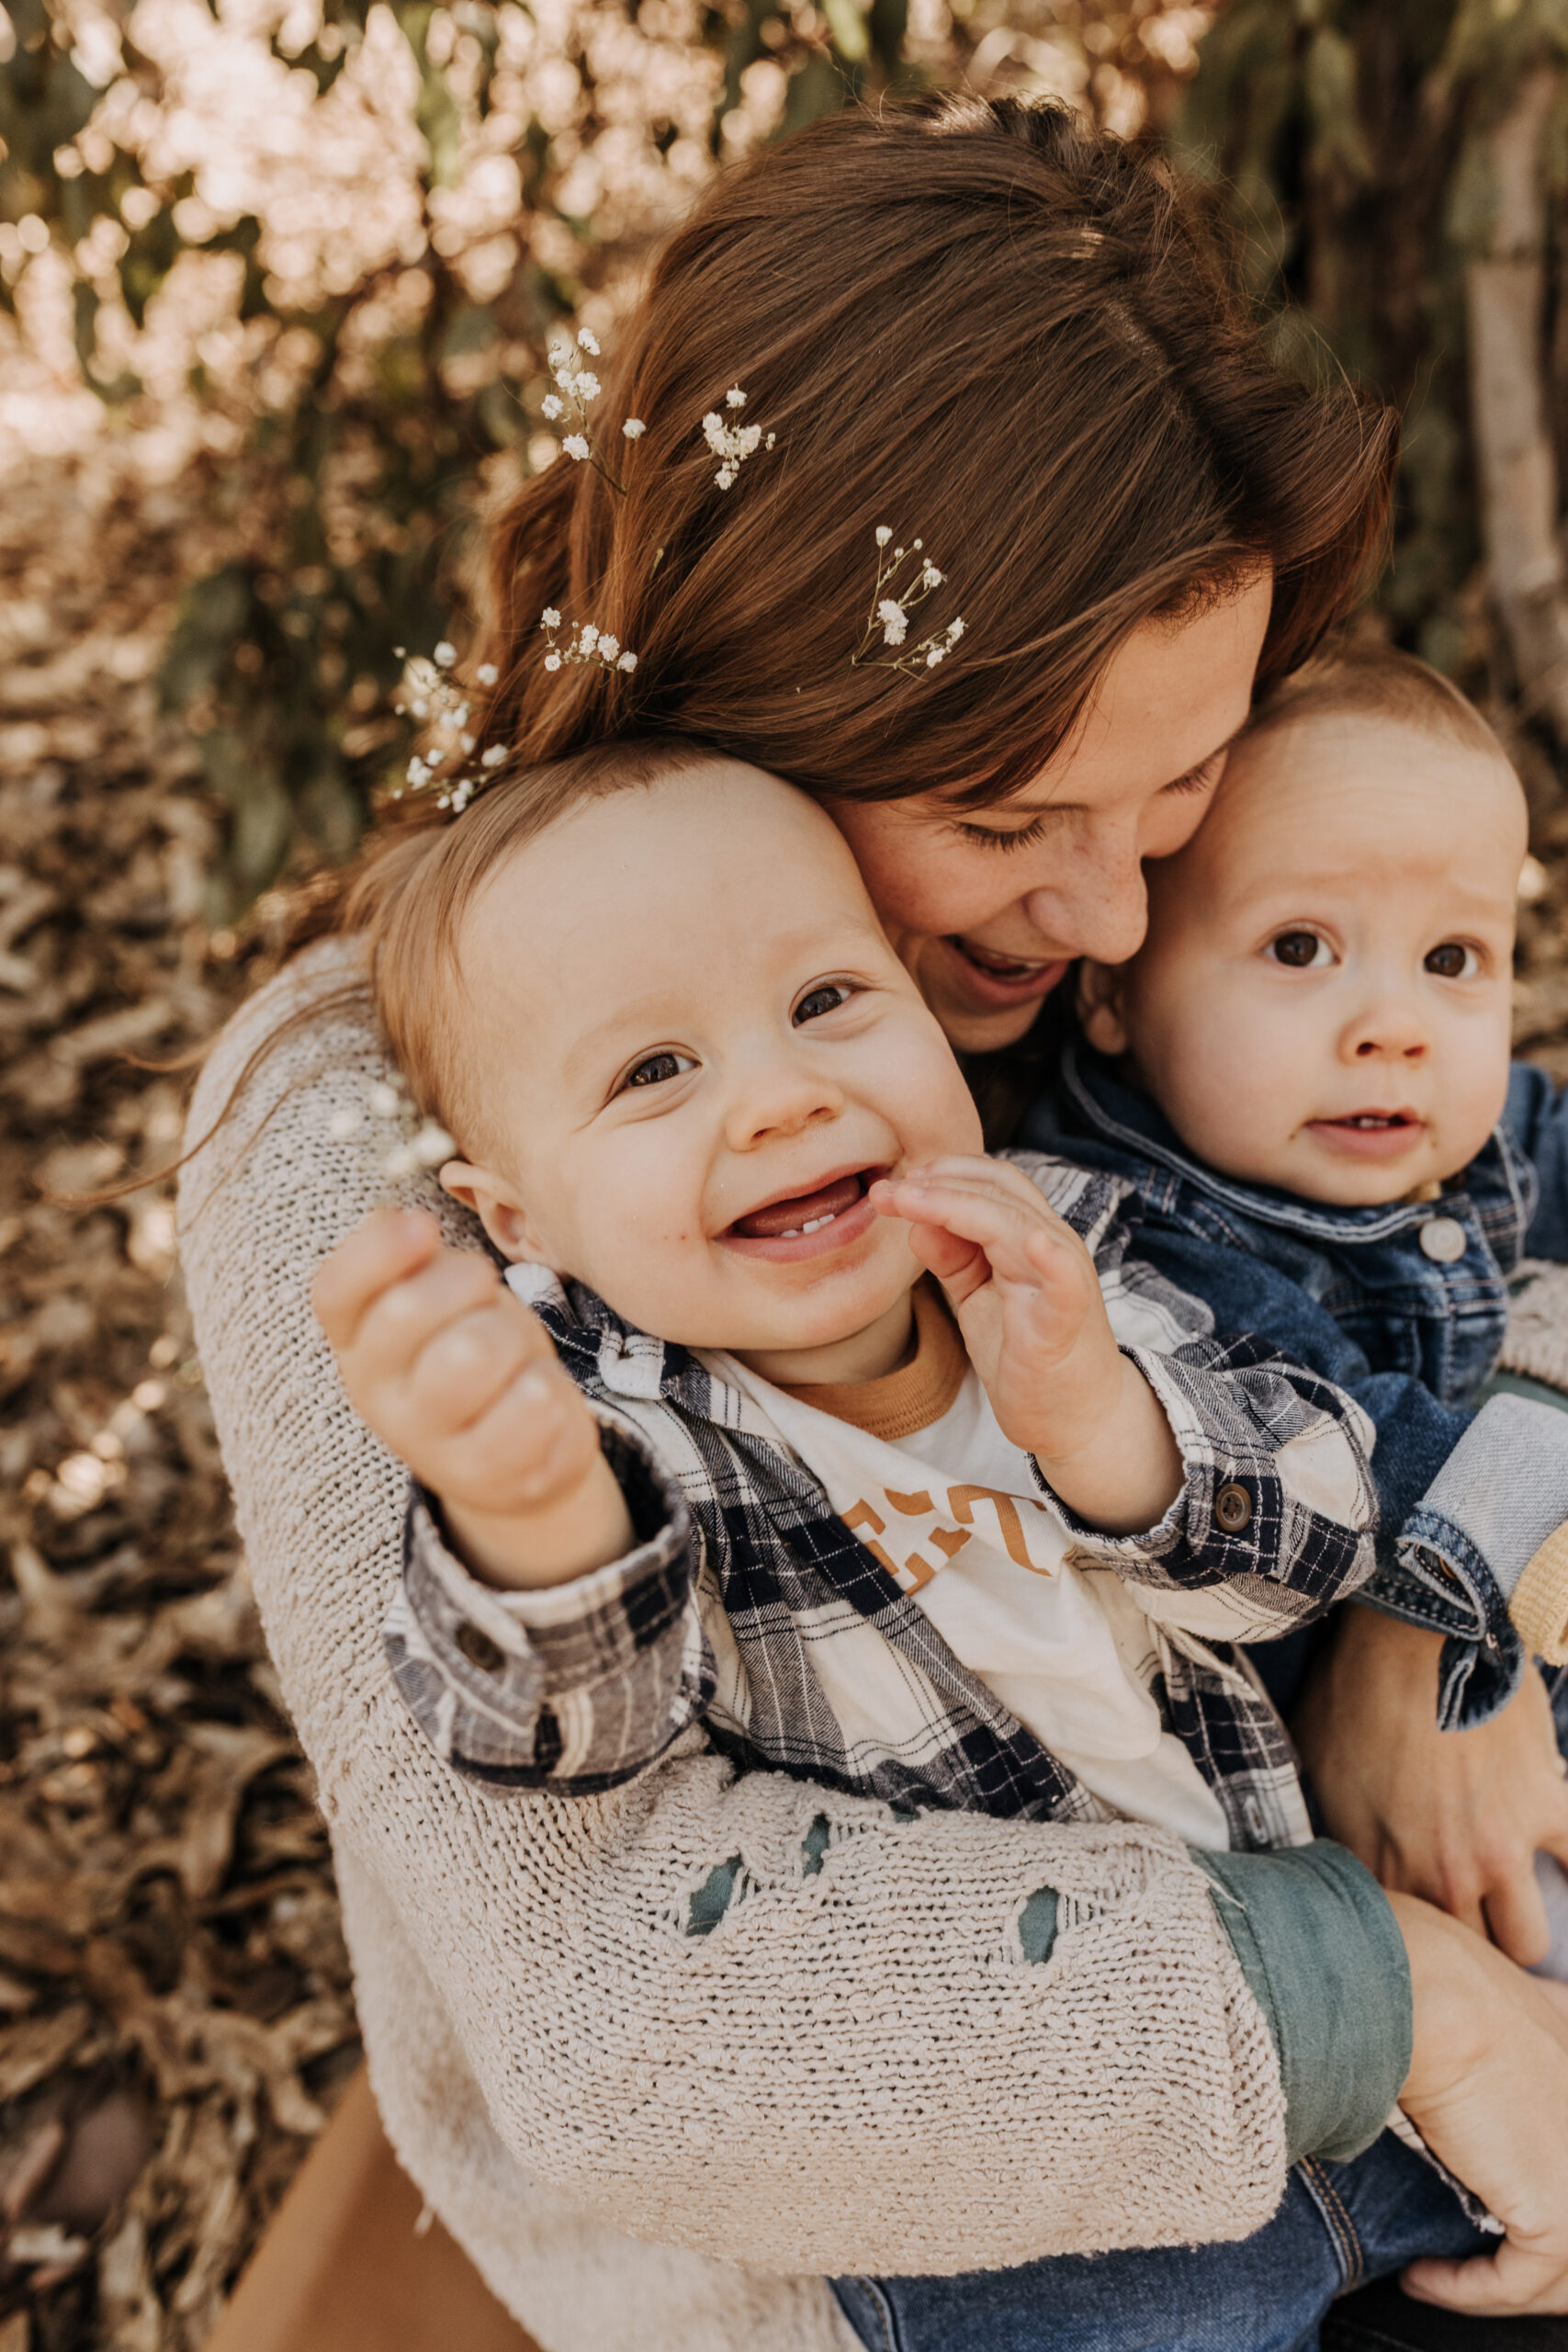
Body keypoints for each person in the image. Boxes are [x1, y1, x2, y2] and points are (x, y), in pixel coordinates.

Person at [178, 93, 1568, 2352]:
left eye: (1175, 792)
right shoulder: (368, 1130)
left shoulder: (1109, 914)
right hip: (918, 2254)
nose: (1118, 913)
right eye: (1009, 813)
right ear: (772, 685)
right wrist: (1403, 1996)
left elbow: (1490, 1208)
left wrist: (1441, 1605)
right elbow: (626, 2010)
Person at [314, 743, 1381, 1862]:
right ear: (520, 1221)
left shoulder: (1060, 1248)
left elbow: (1326, 1546)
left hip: (1290, 1894)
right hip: (1018, 2015)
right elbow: (566, 1743)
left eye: (825, 998)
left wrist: (1103, 1425)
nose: (783, 1098)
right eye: (653, 1071)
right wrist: (534, 1511)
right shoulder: (632, 1442)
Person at [1032, 647, 1568, 1971]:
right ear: (1111, 985)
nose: (1390, 1022)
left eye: (1451, 956)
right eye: (1296, 948)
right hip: (1344, 1827)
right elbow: (1349, 1442)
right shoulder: (1131, 1227)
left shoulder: (1487, 1124)